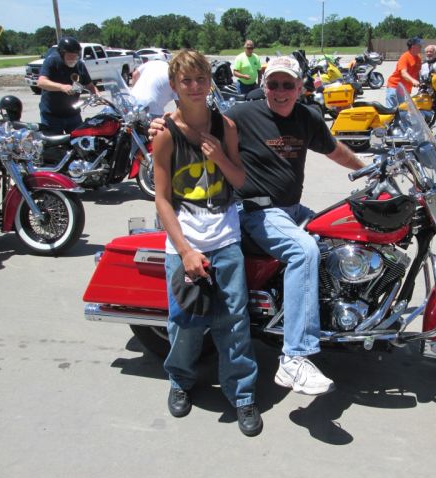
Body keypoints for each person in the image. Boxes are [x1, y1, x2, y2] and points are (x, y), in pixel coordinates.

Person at [150, 56, 365, 396]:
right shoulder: (243, 115)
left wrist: (368, 169)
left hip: (292, 209)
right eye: (274, 84)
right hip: (259, 211)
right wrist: (162, 122)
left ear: (300, 87)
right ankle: (295, 356)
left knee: (341, 236)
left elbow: (334, 149)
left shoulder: (307, 117)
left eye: (288, 85)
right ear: (264, 86)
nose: (281, 92)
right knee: (304, 249)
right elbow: (199, 122)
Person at [152, 49, 262, 437]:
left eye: (201, 79)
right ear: (174, 86)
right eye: (187, 81)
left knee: (234, 322)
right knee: (184, 322)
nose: (195, 87)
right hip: (184, 242)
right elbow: (162, 198)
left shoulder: (226, 127)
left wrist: (219, 157)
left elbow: (240, 181)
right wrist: (184, 251)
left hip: (224, 238)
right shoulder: (164, 135)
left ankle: (242, 394)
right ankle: (180, 380)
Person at [37, 36, 99, 134]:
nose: (73, 59)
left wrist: (97, 95)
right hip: (52, 115)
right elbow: (41, 82)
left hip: (73, 114)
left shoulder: (80, 65)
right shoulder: (52, 61)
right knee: (54, 147)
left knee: (79, 142)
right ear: (62, 54)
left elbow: (90, 86)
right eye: (70, 56)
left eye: (75, 55)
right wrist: (62, 87)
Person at [386, 37, 423, 108]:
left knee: (403, 112)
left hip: (405, 89)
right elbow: (404, 73)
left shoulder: (418, 58)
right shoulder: (405, 57)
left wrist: (421, 82)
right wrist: (413, 81)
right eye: (419, 46)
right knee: (392, 113)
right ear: (413, 47)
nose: (421, 47)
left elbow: (417, 72)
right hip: (395, 87)